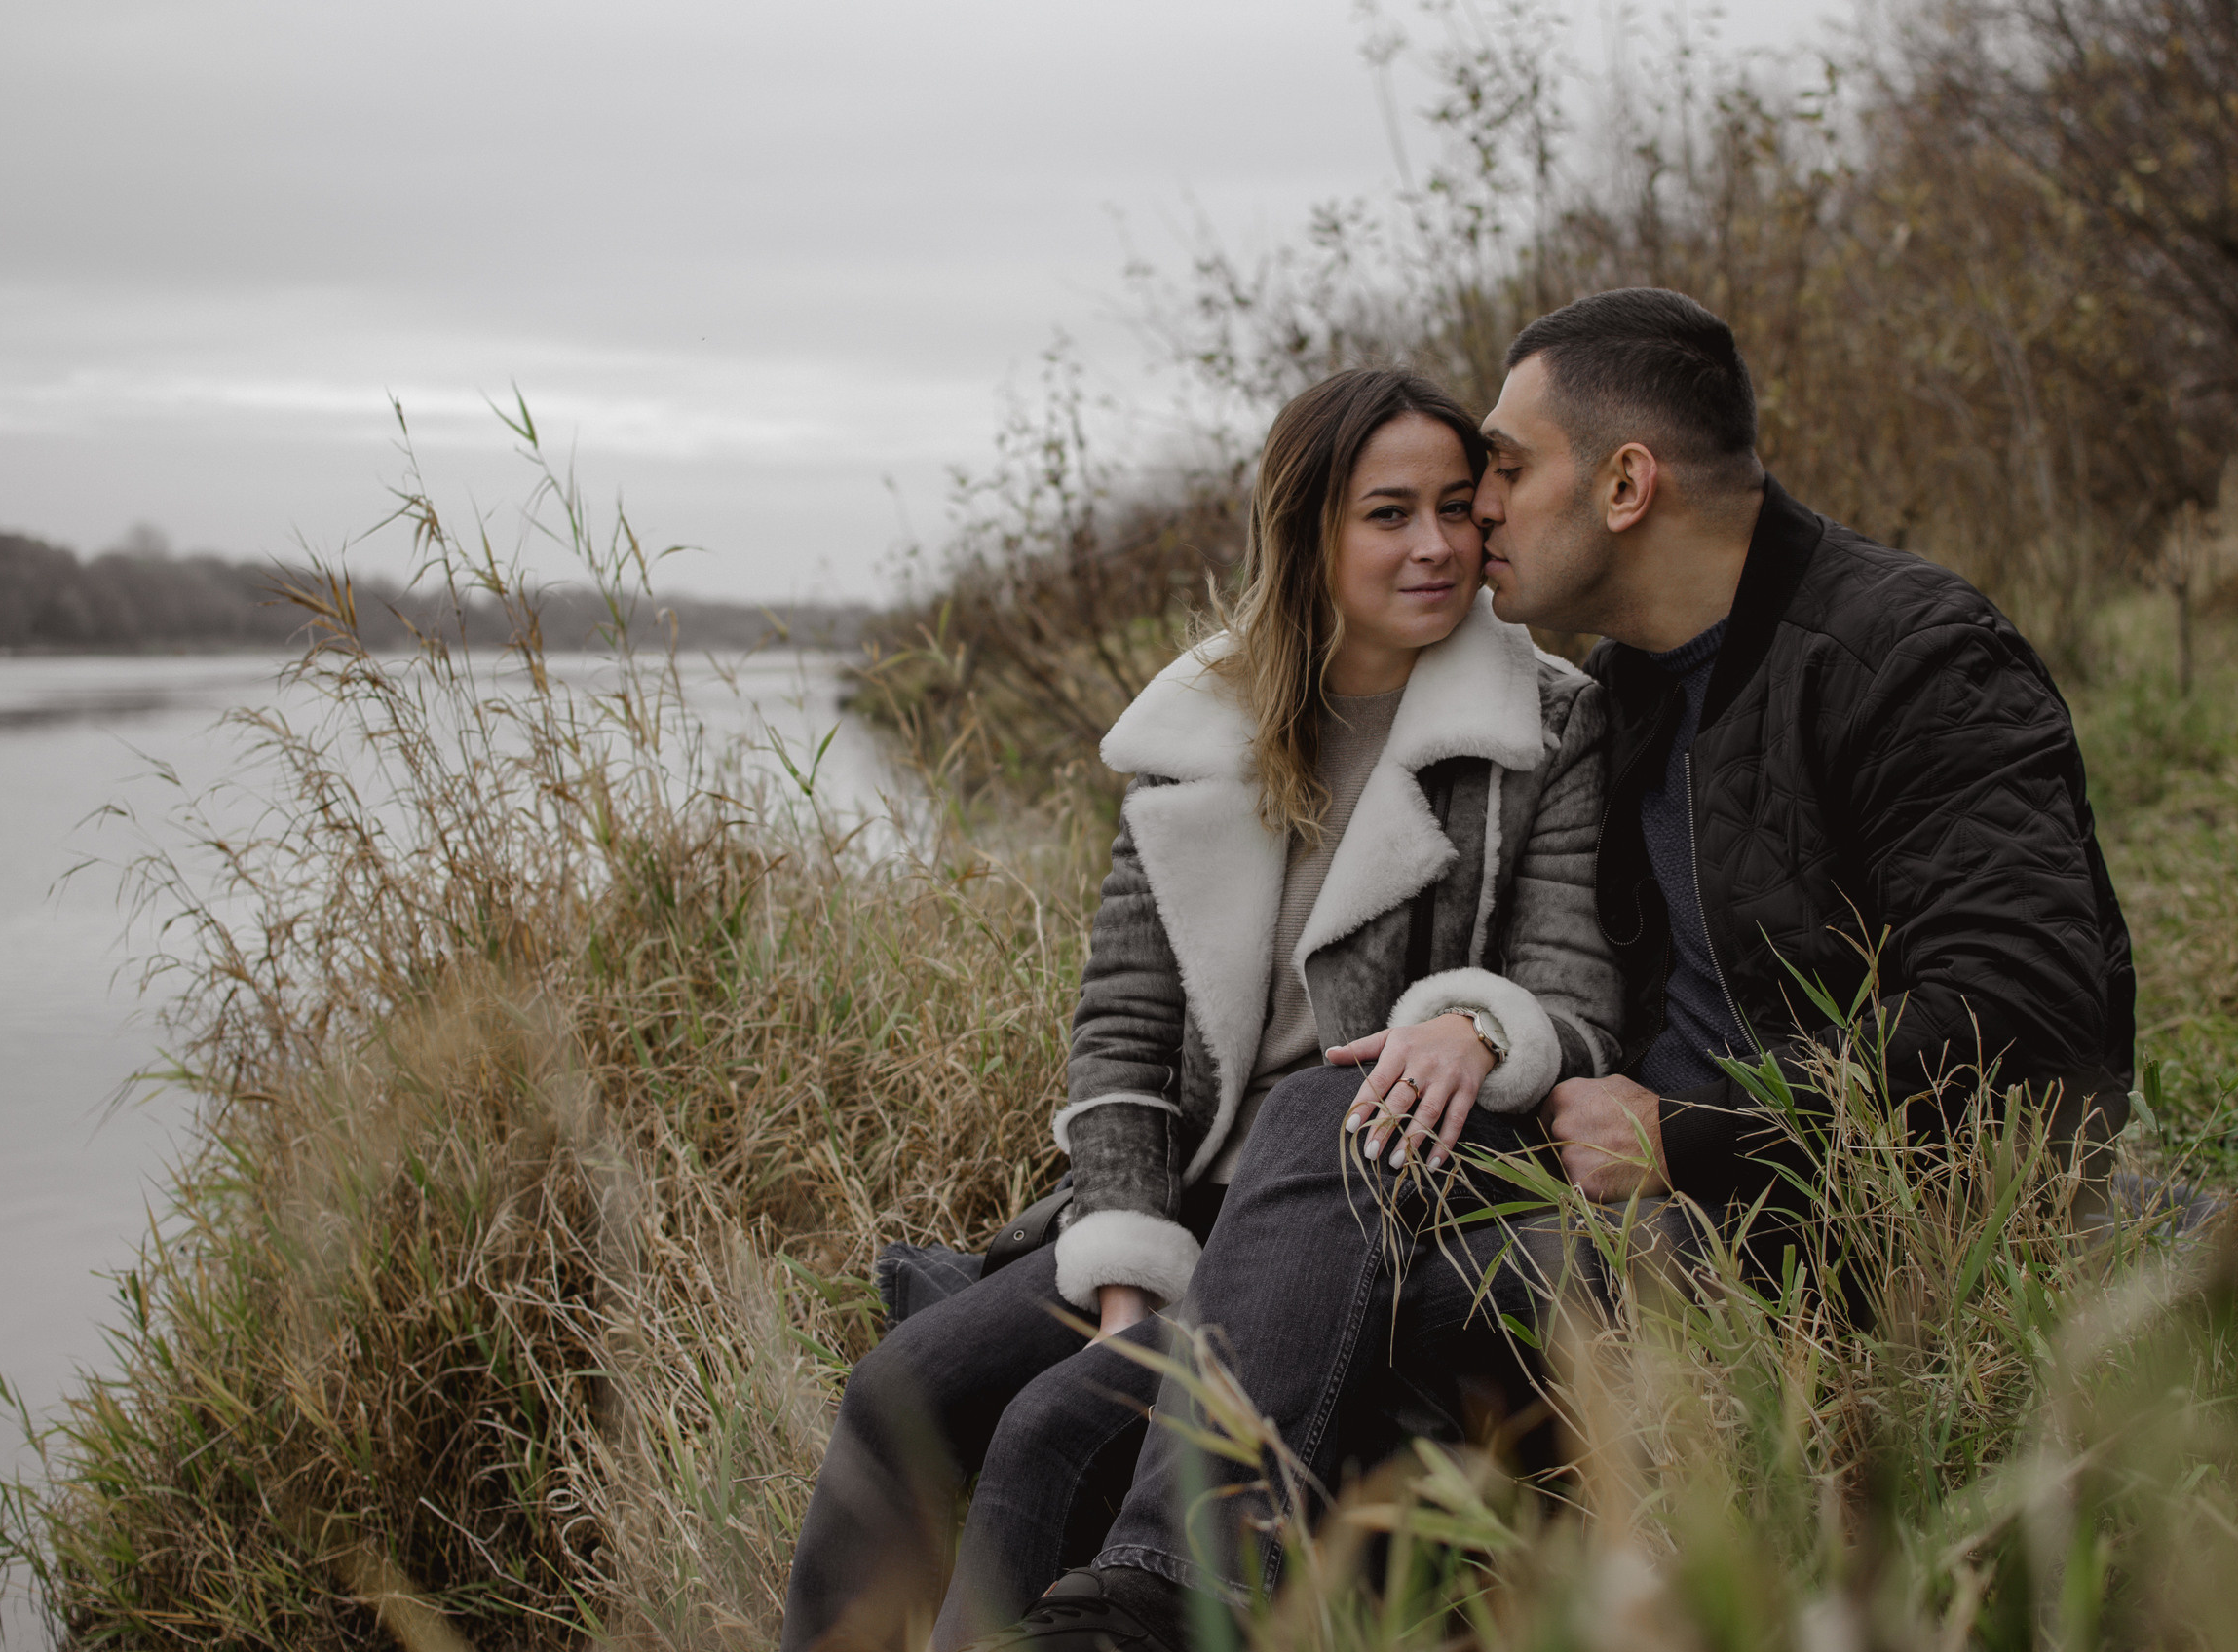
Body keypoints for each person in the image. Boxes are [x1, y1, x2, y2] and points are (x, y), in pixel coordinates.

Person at [978, 287, 2136, 1651]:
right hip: (1602, 1171)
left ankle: (1176, 1599)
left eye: (1506, 471)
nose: (1478, 513)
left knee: (1254, 1342)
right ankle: (1154, 1580)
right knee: (1318, 1127)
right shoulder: (1627, 697)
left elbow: (2028, 1011)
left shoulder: (1907, 654)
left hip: (1820, 1218)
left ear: (1627, 485)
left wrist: (1689, 1131)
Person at [778, 365, 1626, 1652]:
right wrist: (1126, 1274)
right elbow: (1121, 1032)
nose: (1437, 545)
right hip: (1187, 1201)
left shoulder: (1546, 722)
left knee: (1051, 1432)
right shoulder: (1196, 733)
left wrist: (1475, 1025)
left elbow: (1574, 994)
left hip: (1365, 1187)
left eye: (1458, 507)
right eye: (1389, 514)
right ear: (1306, 533)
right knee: (901, 1390)